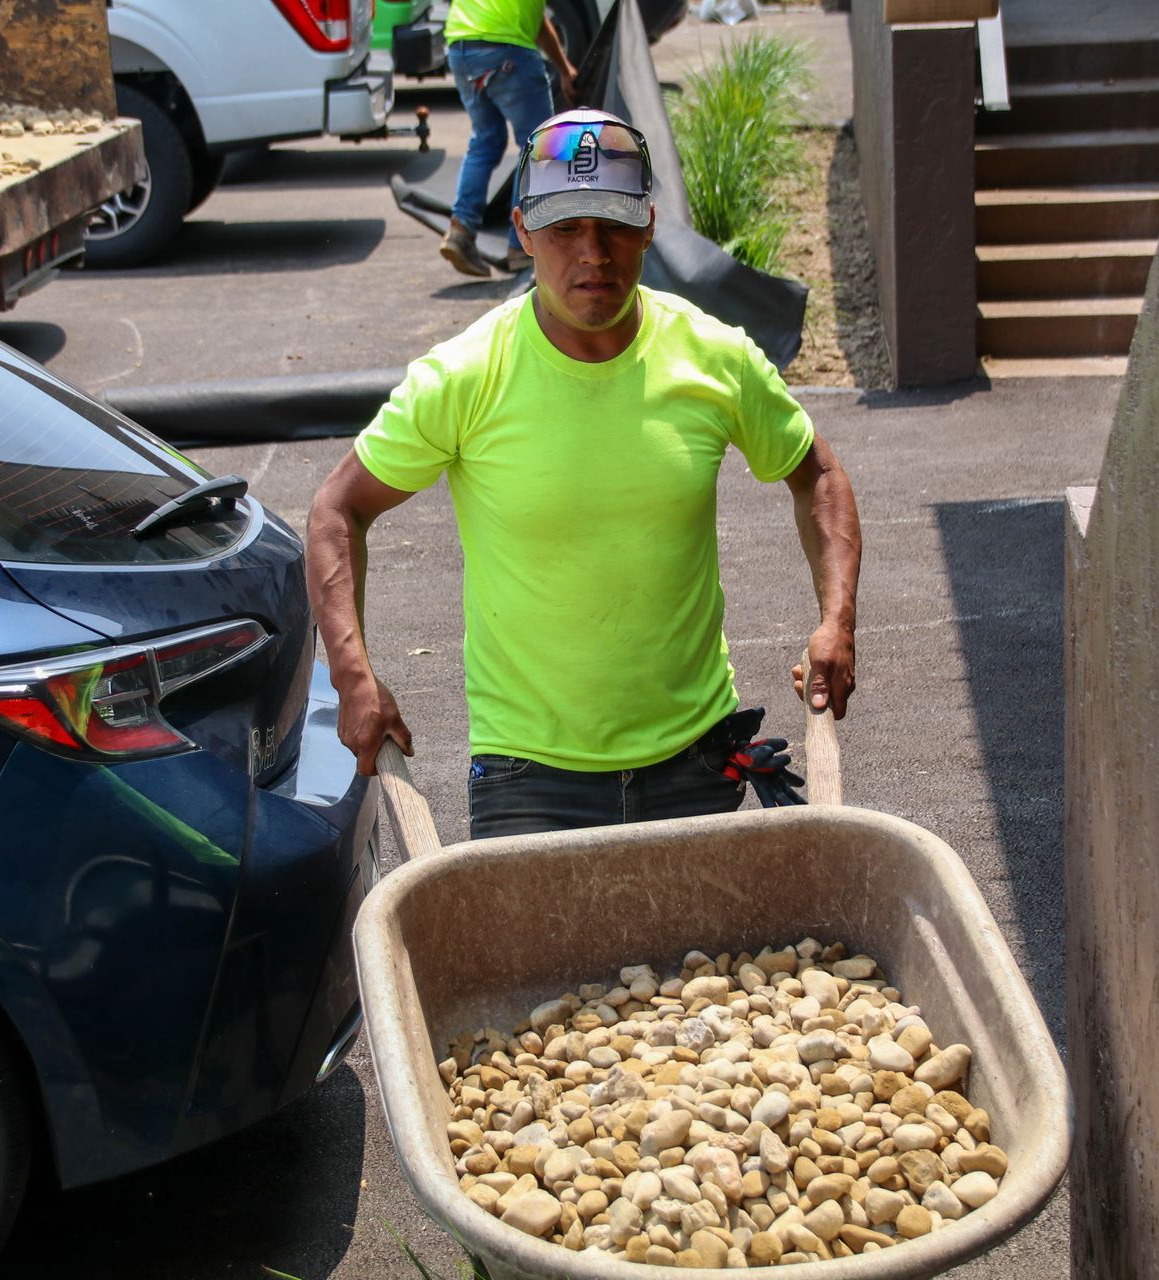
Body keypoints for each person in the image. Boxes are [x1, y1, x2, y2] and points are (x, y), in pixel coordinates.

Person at [308, 108, 861, 839]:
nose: (592, 254)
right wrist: (354, 679)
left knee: (712, 962)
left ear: (650, 226)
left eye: (613, 224)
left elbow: (817, 474)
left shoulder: (712, 358)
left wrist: (837, 622)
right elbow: (337, 510)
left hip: (697, 762)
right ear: (523, 230)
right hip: (528, 779)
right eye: (565, 227)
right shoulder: (468, 374)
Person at [438, 0, 577, 277]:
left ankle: (460, 231)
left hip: (461, 47)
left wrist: (563, 68)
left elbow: (536, 21)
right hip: (506, 51)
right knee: (540, 146)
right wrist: (564, 70)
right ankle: (522, 246)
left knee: (486, 140)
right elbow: (534, 20)